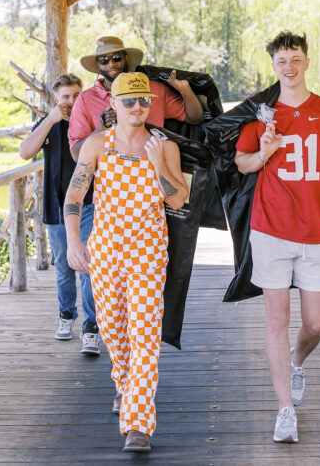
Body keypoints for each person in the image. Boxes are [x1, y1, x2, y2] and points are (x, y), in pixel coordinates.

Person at [234, 31, 320, 444]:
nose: (289, 66)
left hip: (317, 228)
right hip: (271, 228)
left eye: (295, 58)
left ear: (306, 62)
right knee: (276, 320)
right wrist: (265, 150)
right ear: (273, 66)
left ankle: (297, 360)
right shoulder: (261, 114)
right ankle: (285, 409)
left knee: (315, 324)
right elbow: (243, 164)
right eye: (282, 60)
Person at [63, 72, 189, 453]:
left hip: (148, 253)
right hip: (105, 252)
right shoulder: (97, 145)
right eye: (130, 101)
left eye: (144, 101)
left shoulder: (163, 146)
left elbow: (178, 200)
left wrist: (159, 165)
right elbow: (75, 192)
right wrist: (73, 241)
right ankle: (124, 381)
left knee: (145, 336)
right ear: (113, 105)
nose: (138, 108)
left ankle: (138, 424)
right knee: (115, 332)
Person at [17, 73, 99, 355]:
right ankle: (67, 316)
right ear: (56, 99)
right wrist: (51, 119)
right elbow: (25, 152)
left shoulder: (91, 120)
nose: (71, 101)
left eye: (77, 95)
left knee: (88, 267)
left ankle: (92, 328)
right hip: (56, 207)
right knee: (64, 269)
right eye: (66, 96)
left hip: (88, 204)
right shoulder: (48, 123)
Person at [68, 36, 204, 160]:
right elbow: (76, 155)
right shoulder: (85, 99)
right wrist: (101, 129)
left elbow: (195, 118)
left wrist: (184, 88)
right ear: (98, 65)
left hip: (155, 171)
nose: (111, 64)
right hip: (111, 180)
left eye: (116, 58)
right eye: (104, 60)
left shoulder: (154, 89)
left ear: (126, 58)